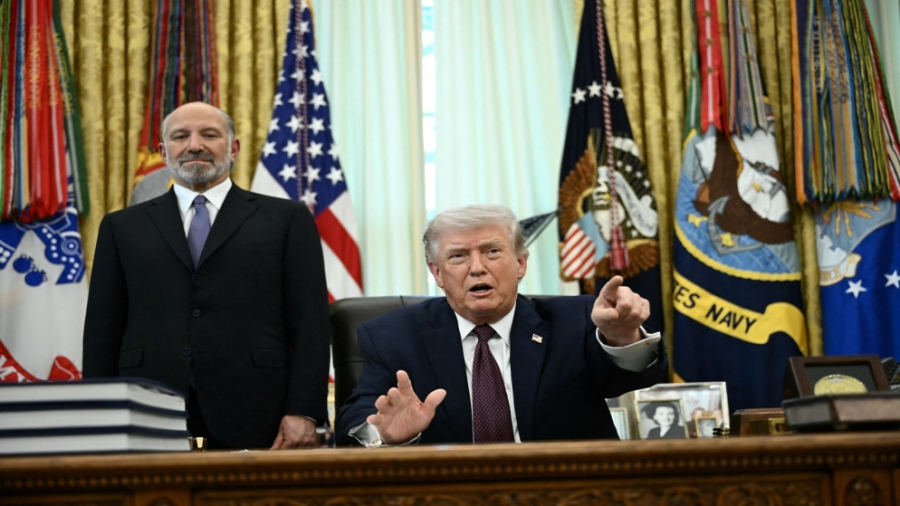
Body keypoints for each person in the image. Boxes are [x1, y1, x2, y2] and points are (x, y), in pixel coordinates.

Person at [82, 102, 331, 450]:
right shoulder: (121, 227)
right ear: (163, 151)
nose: (194, 145)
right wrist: (99, 410)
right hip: (146, 408)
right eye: (180, 136)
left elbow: (311, 325)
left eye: (209, 135)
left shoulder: (286, 219)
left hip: (258, 410)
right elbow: (102, 330)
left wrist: (303, 410)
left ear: (234, 148)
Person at [335, 204, 667, 446]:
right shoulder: (392, 336)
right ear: (437, 273)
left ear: (520, 263)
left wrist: (622, 336)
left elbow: (632, 378)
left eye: (492, 251)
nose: (477, 268)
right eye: (458, 256)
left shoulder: (575, 321)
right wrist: (385, 435)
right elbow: (356, 419)